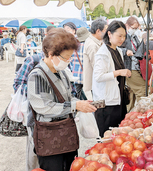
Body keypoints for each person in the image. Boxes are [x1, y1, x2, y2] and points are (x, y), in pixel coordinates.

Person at [27, 28, 97, 171]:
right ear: (51, 54)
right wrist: (74, 105)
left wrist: (80, 103)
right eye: (66, 57)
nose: (69, 60)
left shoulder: (61, 72)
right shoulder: (37, 75)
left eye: (70, 56)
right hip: (49, 140)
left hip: (66, 135)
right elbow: (44, 107)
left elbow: (67, 96)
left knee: (70, 166)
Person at [13, 25, 55, 171]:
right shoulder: (33, 60)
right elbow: (17, 84)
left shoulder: (62, 65)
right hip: (35, 119)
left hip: (56, 120)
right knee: (34, 152)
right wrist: (37, 93)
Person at [93, 21, 131, 137]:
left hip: (118, 98)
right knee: (106, 135)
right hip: (106, 103)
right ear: (109, 34)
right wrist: (119, 72)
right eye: (119, 36)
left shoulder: (118, 50)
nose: (122, 39)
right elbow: (98, 77)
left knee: (117, 133)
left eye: (124, 36)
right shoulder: (103, 53)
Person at [119, 16, 146, 111]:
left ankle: (129, 114)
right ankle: (140, 112)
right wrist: (125, 51)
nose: (134, 30)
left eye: (136, 28)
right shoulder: (122, 37)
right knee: (141, 89)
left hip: (136, 66)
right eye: (133, 28)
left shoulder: (134, 36)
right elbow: (116, 48)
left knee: (131, 93)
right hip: (130, 67)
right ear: (127, 26)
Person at [83, 19, 107, 100]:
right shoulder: (92, 45)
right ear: (98, 31)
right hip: (96, 82)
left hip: (97, 81)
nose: (107, 32)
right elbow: (97, 66)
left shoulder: (97, 42)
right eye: (105, 30)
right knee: (98, 106)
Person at [70, 27, 90, 100]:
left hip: (76, 75)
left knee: (77, 96)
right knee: (95, 95)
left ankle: (77, 109)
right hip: (88, 75)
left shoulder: (73, 47)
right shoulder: (89, 46)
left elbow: (70, 61)